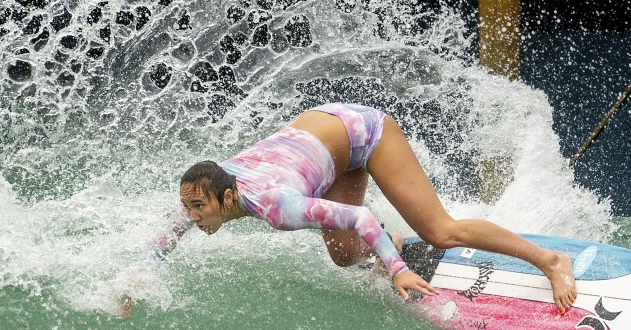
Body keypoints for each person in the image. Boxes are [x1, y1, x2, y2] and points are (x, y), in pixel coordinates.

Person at [120, 103, 576, 317]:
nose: (192, 217)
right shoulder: (208, 187)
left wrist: (397, 270)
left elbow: (359, 218)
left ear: (226, 197)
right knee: (343, 255)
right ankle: (390, 244)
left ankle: (550, 261)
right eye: (189, 209)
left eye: (198, 209)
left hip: (363, 133)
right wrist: (132, 282)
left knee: (440, 231)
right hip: (325, 146)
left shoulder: (278, 207)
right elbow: (165, 237)